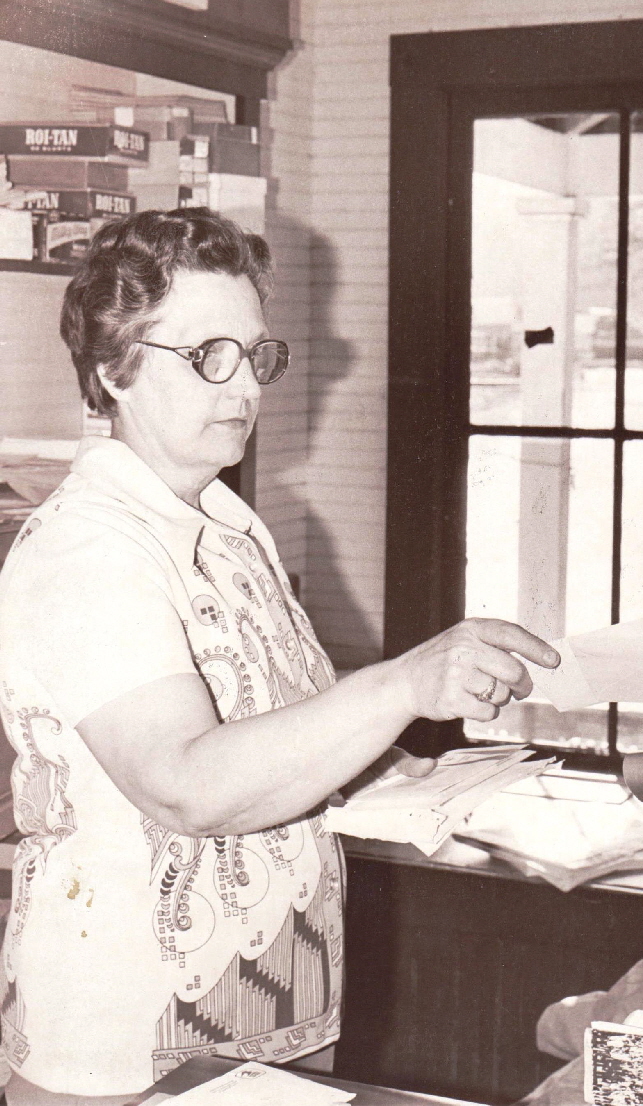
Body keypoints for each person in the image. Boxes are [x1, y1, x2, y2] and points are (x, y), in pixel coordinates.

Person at [0, 208, 559, 1105]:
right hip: (125, 1046)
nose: (245, 385)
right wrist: (406, 682)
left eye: (254, 353)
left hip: (270, 1012)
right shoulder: (88, 550)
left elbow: (285, 727)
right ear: (115, 371)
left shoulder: (226, 522)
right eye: (207, 354)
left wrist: (419, 776)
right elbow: (186, 781)